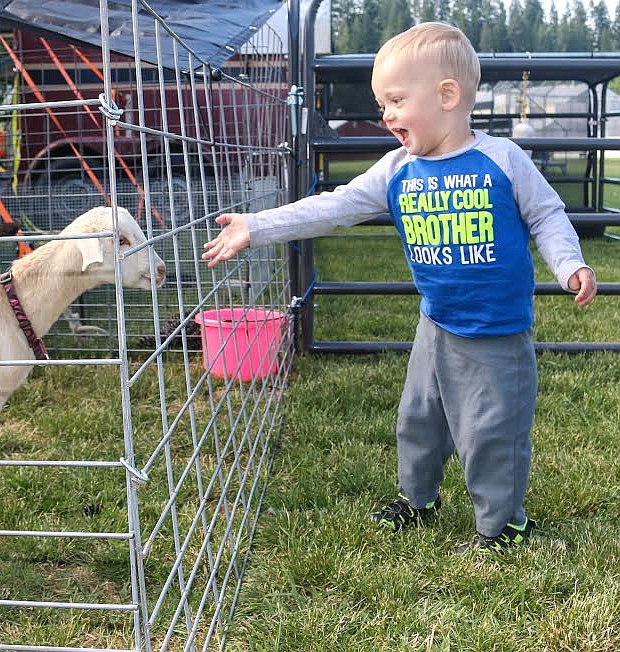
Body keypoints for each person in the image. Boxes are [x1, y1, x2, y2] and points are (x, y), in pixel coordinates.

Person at [202, 22, 598, 553]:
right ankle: (419, 498)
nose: (385, 114)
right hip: (434, 323)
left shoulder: (504, 160)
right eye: (381, 102)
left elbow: (548, 216)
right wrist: (258, 226)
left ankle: (502, 524)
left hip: (496, 335)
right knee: (418, 419)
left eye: (394, 100)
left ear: (448, 96)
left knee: (491, 435)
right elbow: (334, 206)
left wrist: (569, 263)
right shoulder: (396, 170)